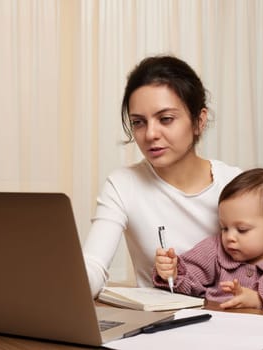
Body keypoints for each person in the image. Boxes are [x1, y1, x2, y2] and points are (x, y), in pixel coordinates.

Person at [82, 55, 242, 298]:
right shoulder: (123, 185)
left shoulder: (235, 184)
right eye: (139, 122)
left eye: (166, 119)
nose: (151, 134)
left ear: (199, 121)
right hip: (159, 328)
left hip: (233, 324)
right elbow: (93, 266)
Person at [153, 168, 263, 318]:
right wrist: (173, 273)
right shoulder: (215, 249)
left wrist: (259, 300)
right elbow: (189, 281)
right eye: (224, 228)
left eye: (242, 229)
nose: (230, 237)